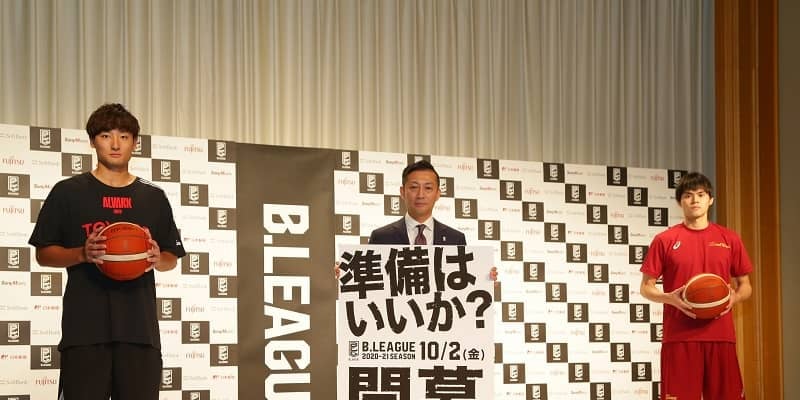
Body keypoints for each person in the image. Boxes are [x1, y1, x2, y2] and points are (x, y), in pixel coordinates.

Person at [28, 103, 186, 400]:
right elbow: (43, 254)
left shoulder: (153, 197)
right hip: (84, 332)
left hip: (139, 332)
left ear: (135, 143)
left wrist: (157, 258)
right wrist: (81, 254)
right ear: (92, 141)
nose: (115, 144)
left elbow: (171, 258)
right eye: (105, 136)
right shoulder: (68, 192)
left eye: (124, 137)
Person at [639, 172, 752, 400]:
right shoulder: (665, 240)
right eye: (688, 195)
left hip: (720, 335)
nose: (695, 200)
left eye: (701, 195)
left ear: (710, 200)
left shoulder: (730, 239)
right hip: (679, 336)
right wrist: (670, 298)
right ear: (680, 202)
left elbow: (746, 286)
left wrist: (734, 298)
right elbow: (646, 287)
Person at [337, 160, 497, 280]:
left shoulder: (455, 239)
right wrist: (347, 274)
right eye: (414, 187)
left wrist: (485, 280)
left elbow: (463, 283)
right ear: (402, 192)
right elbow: (371, 282)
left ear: (438, 194)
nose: (421, 195)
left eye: (428, 188)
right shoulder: (381, 237)